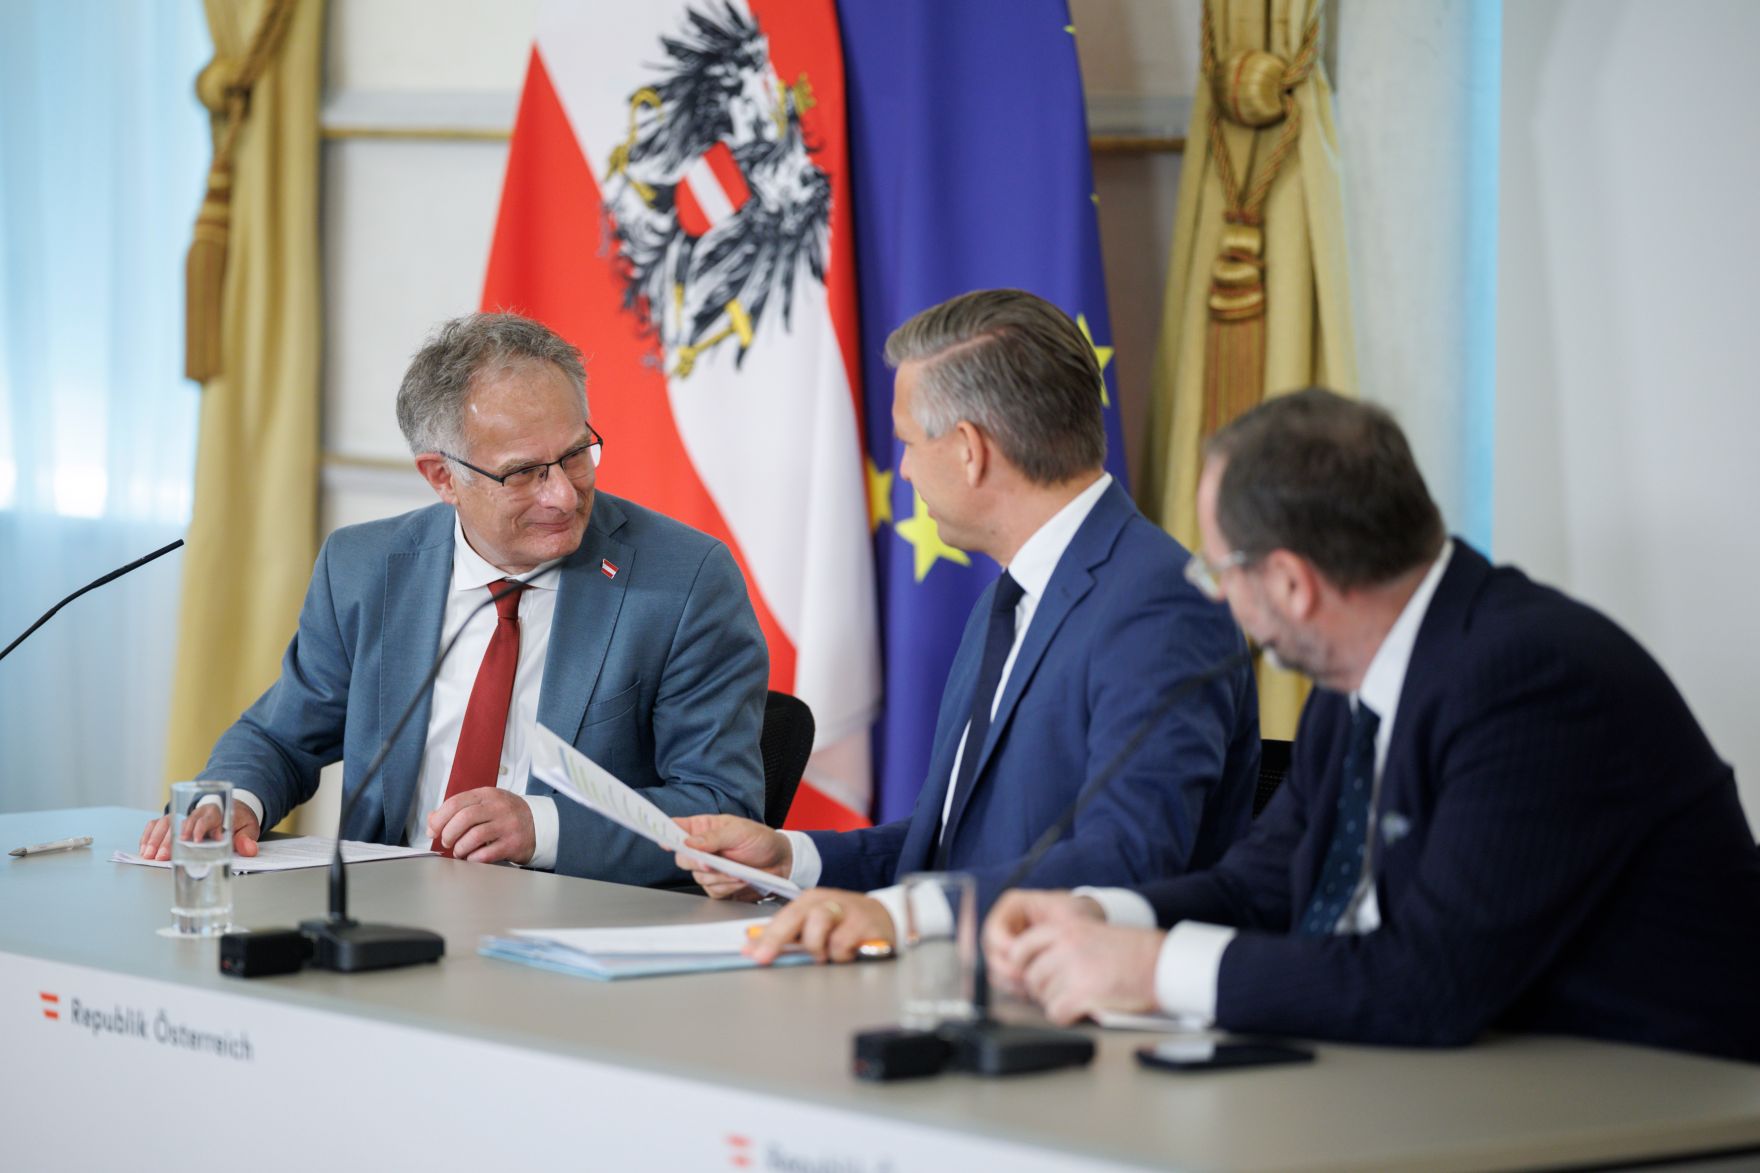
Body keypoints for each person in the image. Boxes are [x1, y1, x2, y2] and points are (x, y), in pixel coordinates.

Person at [985, 388, 1760, 1062]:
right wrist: (1100, 915)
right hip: (1459, 1081)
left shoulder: (1535, 680)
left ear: (1290, 581)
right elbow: (1261, 888)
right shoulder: (1353, 677)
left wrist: (1152, 970)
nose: (1217, 598)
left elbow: (1430, 982)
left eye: (1219, 572)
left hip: (1660, 1104)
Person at [674, 289, 1260, 962]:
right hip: (963, 985)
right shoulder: (1007, 597)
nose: (904, 473)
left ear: (968, 451)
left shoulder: (1159, 603)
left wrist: (906, 914)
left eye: (907, 444)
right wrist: (793, 858)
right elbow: (951, 843)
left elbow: (1128, 858)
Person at [139, 313, 767, 883]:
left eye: (576, 455)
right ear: (443, 477)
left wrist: (542, 827)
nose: (565, 497)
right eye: (524, 473)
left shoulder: (682, 580)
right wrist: (228, 804)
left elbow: (721, 803)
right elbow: (281, 738)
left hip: (577, 928)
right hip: (384, 919)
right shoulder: (365, 567)